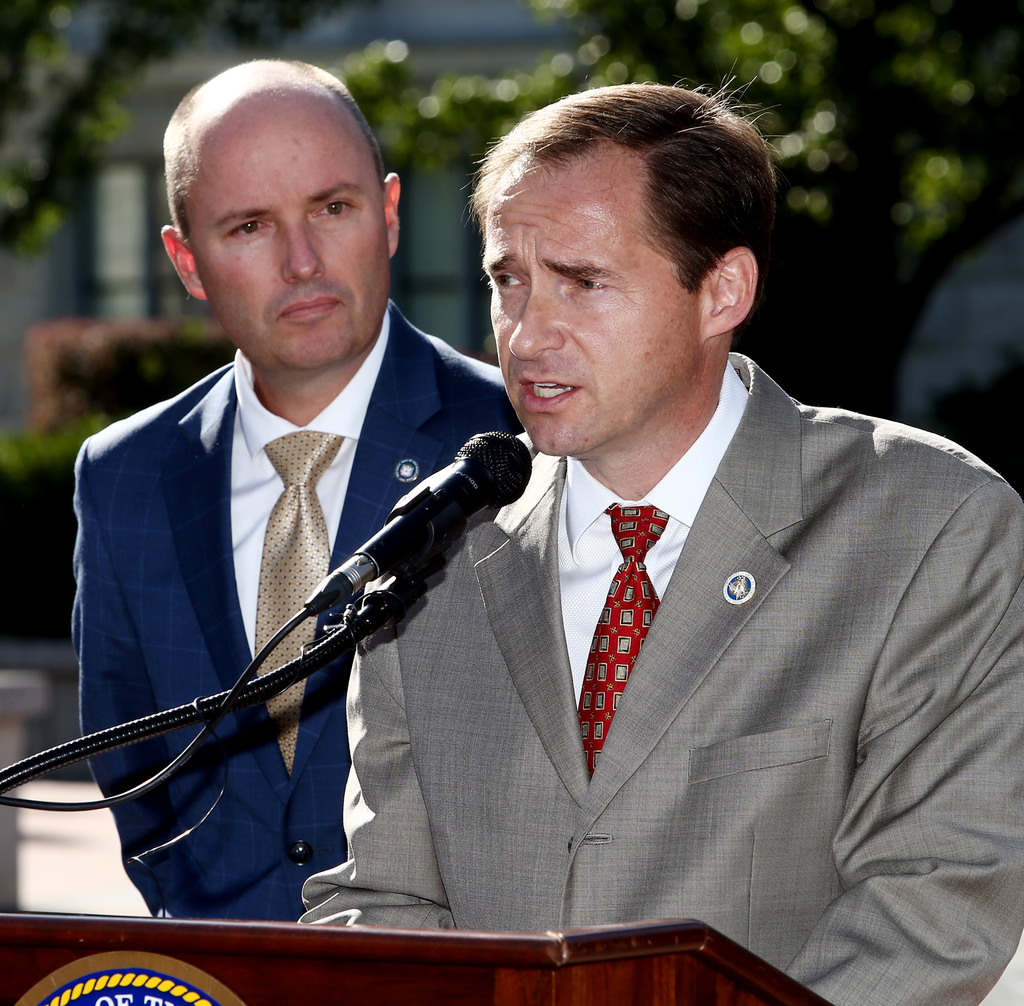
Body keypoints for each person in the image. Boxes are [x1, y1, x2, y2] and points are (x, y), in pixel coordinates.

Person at [299, 84, 1024, 1006]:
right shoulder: (432, 555)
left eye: (582, 281)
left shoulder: (933, 526)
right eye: (507, 280)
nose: (526, 334)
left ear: (722, 291)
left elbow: (935, 906)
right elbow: (384, 901)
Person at [74, 59, 519, 921]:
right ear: (187, 260)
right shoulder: (121, 475)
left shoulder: (517, 442)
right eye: (248, 227)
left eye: (333, 208)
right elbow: (131, 769)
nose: (302, 260)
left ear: (389, 215)